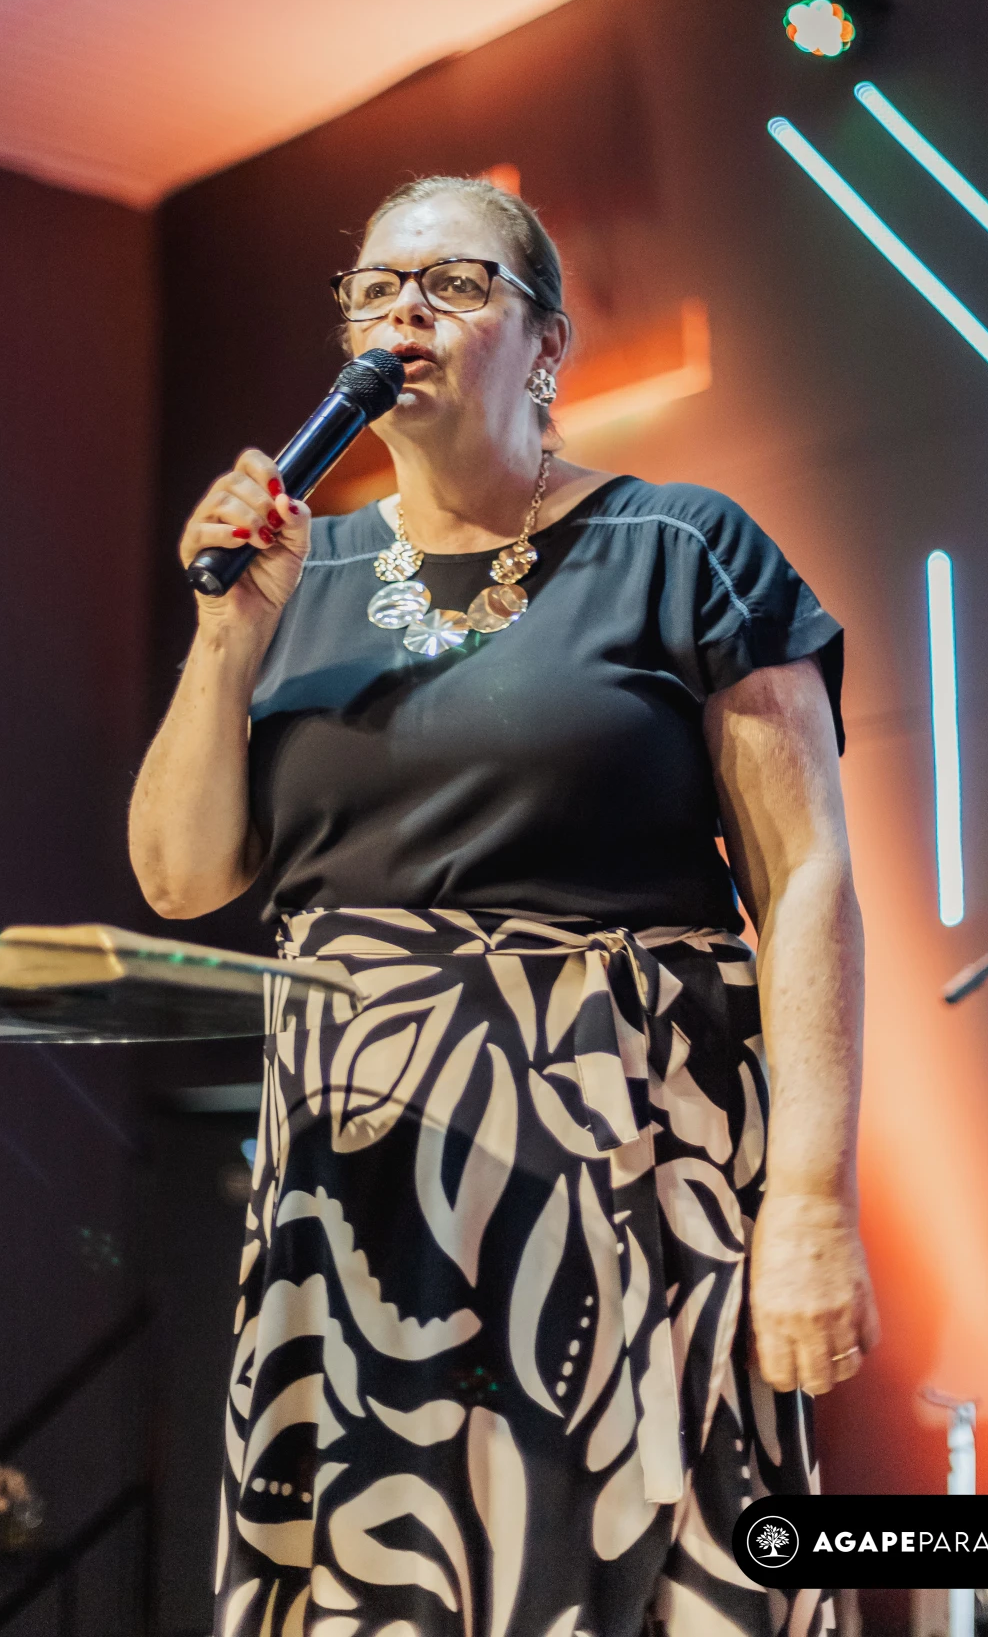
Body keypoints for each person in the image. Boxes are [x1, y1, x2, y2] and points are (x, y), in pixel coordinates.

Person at [129, 176, 879, 1637]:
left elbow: (807, 880)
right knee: (385, 1574)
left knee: (636, 1565)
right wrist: (226, 637)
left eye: (454, 284)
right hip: (358, 1196)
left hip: (627, 1174)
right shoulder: (297, 573)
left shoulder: (681, 547)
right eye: (374, 290)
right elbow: (181, 875)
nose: (402, 312)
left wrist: (810, 1198)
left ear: (546, 345)